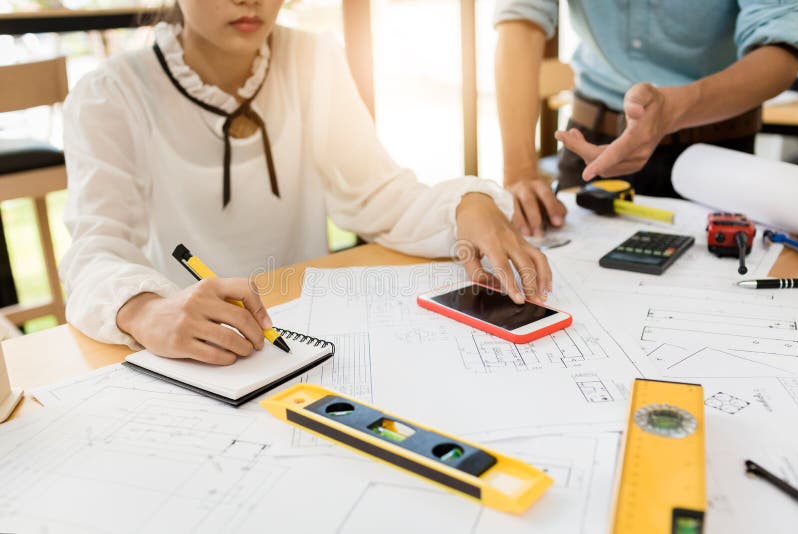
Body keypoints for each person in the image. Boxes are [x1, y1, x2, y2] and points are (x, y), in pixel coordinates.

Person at [60, 0, 552, 365]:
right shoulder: (110, 94)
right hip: (193, 356)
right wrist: (145, 310)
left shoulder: (311, 57)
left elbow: (374, 194)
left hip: (305, 343)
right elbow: (94, 251)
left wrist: (464, 204)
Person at [494, 1, 798, 237]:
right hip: (591, 145)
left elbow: (781, 48)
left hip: (717, 155)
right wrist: (519, 172)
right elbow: (520, 20)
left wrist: (676, 108)